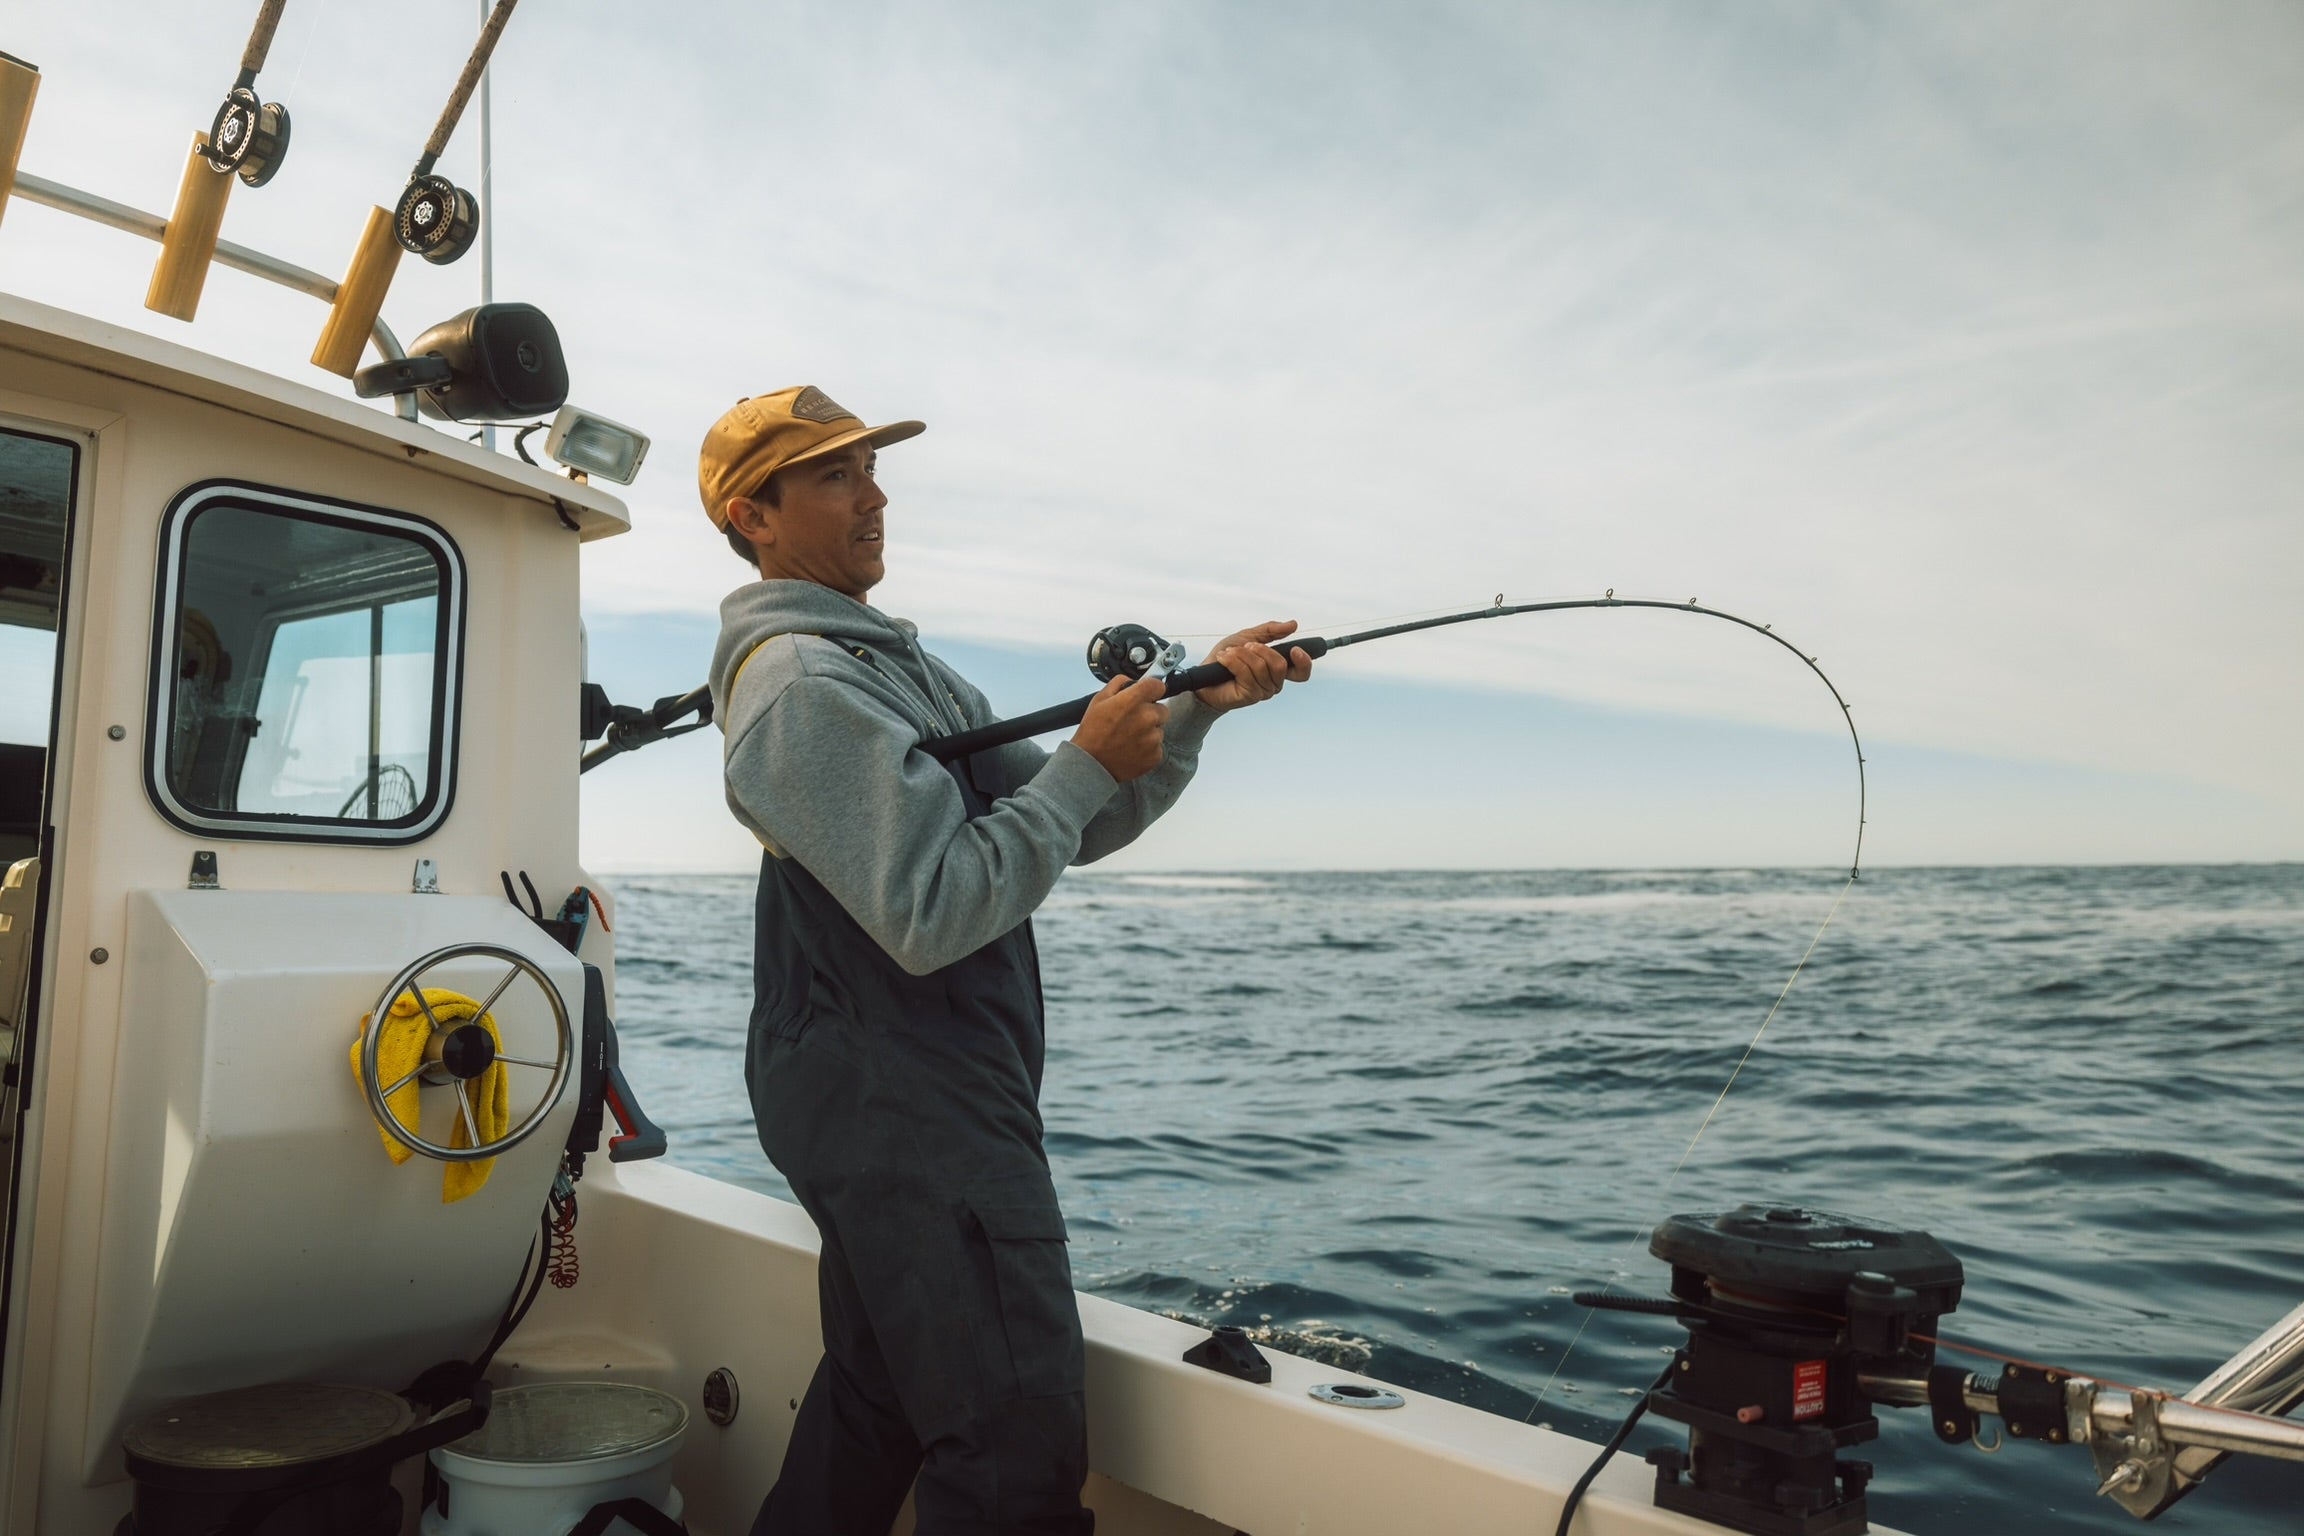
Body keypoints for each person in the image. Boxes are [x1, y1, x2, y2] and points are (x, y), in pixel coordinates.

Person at [701, 385, 1312, 1536]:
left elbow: (1070, 822)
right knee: (1013, 1448)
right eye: (837, 475)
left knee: (878, 1403)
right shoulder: (801, 687)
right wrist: (1086, 764)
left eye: (871, 470)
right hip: (909, 1116)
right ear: (755, 514)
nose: (875, 495)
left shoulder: (893, 668)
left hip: (907, 1100)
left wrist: (1195, 714)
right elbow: (933, 908)